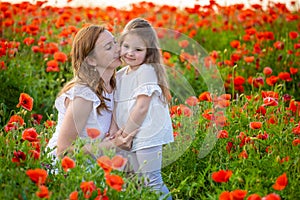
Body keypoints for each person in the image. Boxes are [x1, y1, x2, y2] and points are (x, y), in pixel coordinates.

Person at [46, 25, 135, 161]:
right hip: (67, 169)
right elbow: (62, 152)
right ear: (91, 60)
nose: (118, 49)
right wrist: (113, 145)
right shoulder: (84, 95)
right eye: (108, 47)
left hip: (97, 166)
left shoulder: (117, 84)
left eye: (115, 42)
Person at [110, 18, 174, 200]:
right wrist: (115, 131)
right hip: (130, 133)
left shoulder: (146, 70)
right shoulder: (121, 74)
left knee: (151, 179)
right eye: (126, 46)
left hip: (147, 133)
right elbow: (116, 105)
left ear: (148, 53)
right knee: (134, 180)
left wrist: (125, 133)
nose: (130, 53)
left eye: (138, 50)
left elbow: (141, 107)